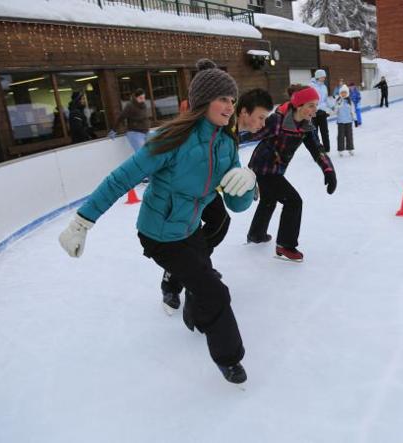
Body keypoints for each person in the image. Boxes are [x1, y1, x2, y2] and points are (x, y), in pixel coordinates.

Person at [58, 59, 257, 384]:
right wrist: (82, 222)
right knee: (215, 292)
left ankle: (193, 315)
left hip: (190, 229)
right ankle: (229, 358)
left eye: (232, 100)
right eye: (223, 98)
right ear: (203, 101)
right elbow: (120, 179)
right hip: (160, 233)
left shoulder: (225, 144)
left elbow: (236, 205)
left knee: (202, 278)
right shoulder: (172, 138)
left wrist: (248, 184)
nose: (230, 106)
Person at [161, 88, 274, 318]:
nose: (263, 124)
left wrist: (247, 182)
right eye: (261, 117)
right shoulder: (221, 125)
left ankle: (199, 268)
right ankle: (172, 282)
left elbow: (223, 166)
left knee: (219, 222)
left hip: (204, 188)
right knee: (193, 233)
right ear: (244, 112)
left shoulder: (231, 131)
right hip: (181, 190)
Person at [246, 84, 337, 262]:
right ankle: (285, 245)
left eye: (316, 105)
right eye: (311, 105)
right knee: (293, 201)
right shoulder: (277, 120)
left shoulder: (306, 126)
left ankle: (256, 234)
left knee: (268, 200)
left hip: (276, 168)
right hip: (263, 167)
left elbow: (317, 149)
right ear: (299, 105)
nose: (314, 110)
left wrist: (328, 170)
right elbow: (252, 133)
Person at [108, 88, 150, 153]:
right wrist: (114, 130)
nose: (143, 100)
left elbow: (144, 118)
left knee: (149, 153)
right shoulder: (130, 106)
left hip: (145, 132)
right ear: (135, 98)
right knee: (142, 154)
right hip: (135, 133)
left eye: (144, 98)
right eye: (141, 98)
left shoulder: (143, 105)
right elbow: (121, 117)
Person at [310, 69, 332, 153]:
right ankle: (318, 150)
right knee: (314, 132)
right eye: (323, 77)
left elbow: (326, 99)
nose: (324, 78)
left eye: (324, 77)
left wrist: (332, 106)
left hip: (322, 112)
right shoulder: (311, 86)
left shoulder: (324, 86)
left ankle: (326, 150)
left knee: (325, 132)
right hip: (313, 112)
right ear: (318, 77)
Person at [335, 85, 358, 156]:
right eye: (342, 93)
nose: (343, 94)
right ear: (340, 93)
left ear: (347, 93)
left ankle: (350, 149)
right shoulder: (338, 101)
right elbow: (335, 111)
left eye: (345, 92)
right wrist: (338, 105)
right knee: (340, 136)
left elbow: (353, 111)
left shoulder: (350, 101)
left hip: (348, 121)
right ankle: (340, 150)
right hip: (340, 121)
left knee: (349, 135)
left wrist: (355, 120)